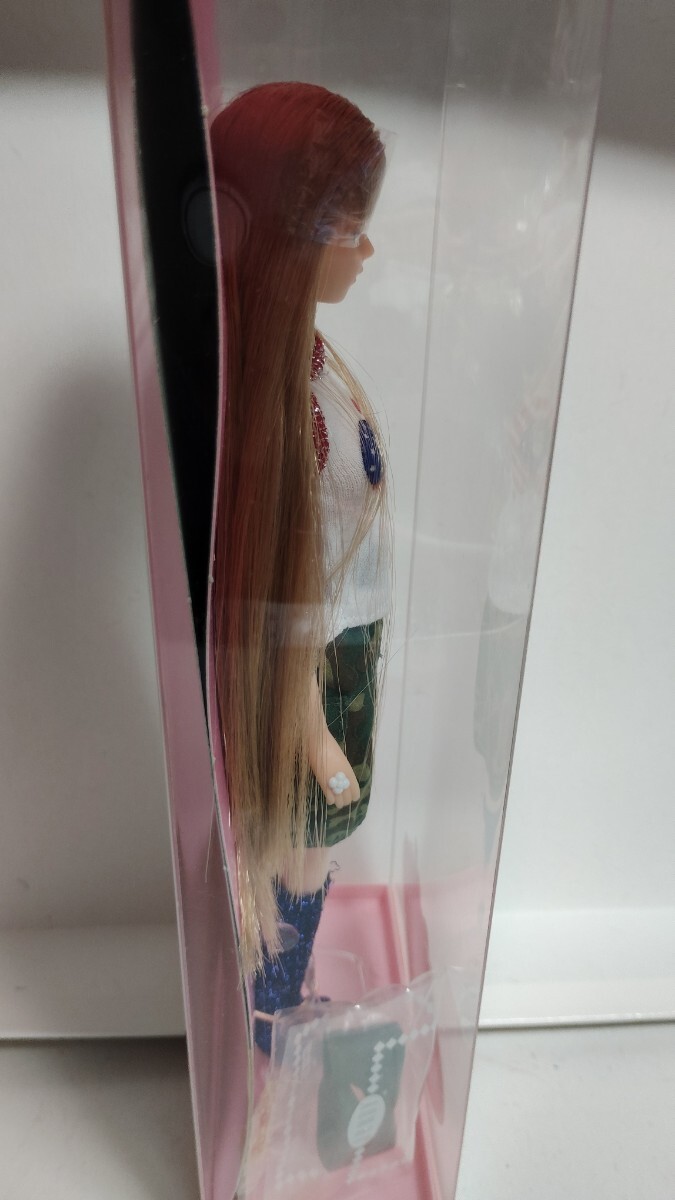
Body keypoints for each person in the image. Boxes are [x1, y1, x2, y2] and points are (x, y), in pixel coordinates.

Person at [209, 82, 391, 1051]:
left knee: (311, 850)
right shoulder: (278, 415)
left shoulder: (311, 371)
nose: (366, 252)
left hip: (346, 645)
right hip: (311, 672)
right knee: (301, 851)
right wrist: (312, 729)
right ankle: (273, 1015)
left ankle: (282, 1002)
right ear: (295, 239)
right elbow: (278, 594)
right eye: (350, 231)